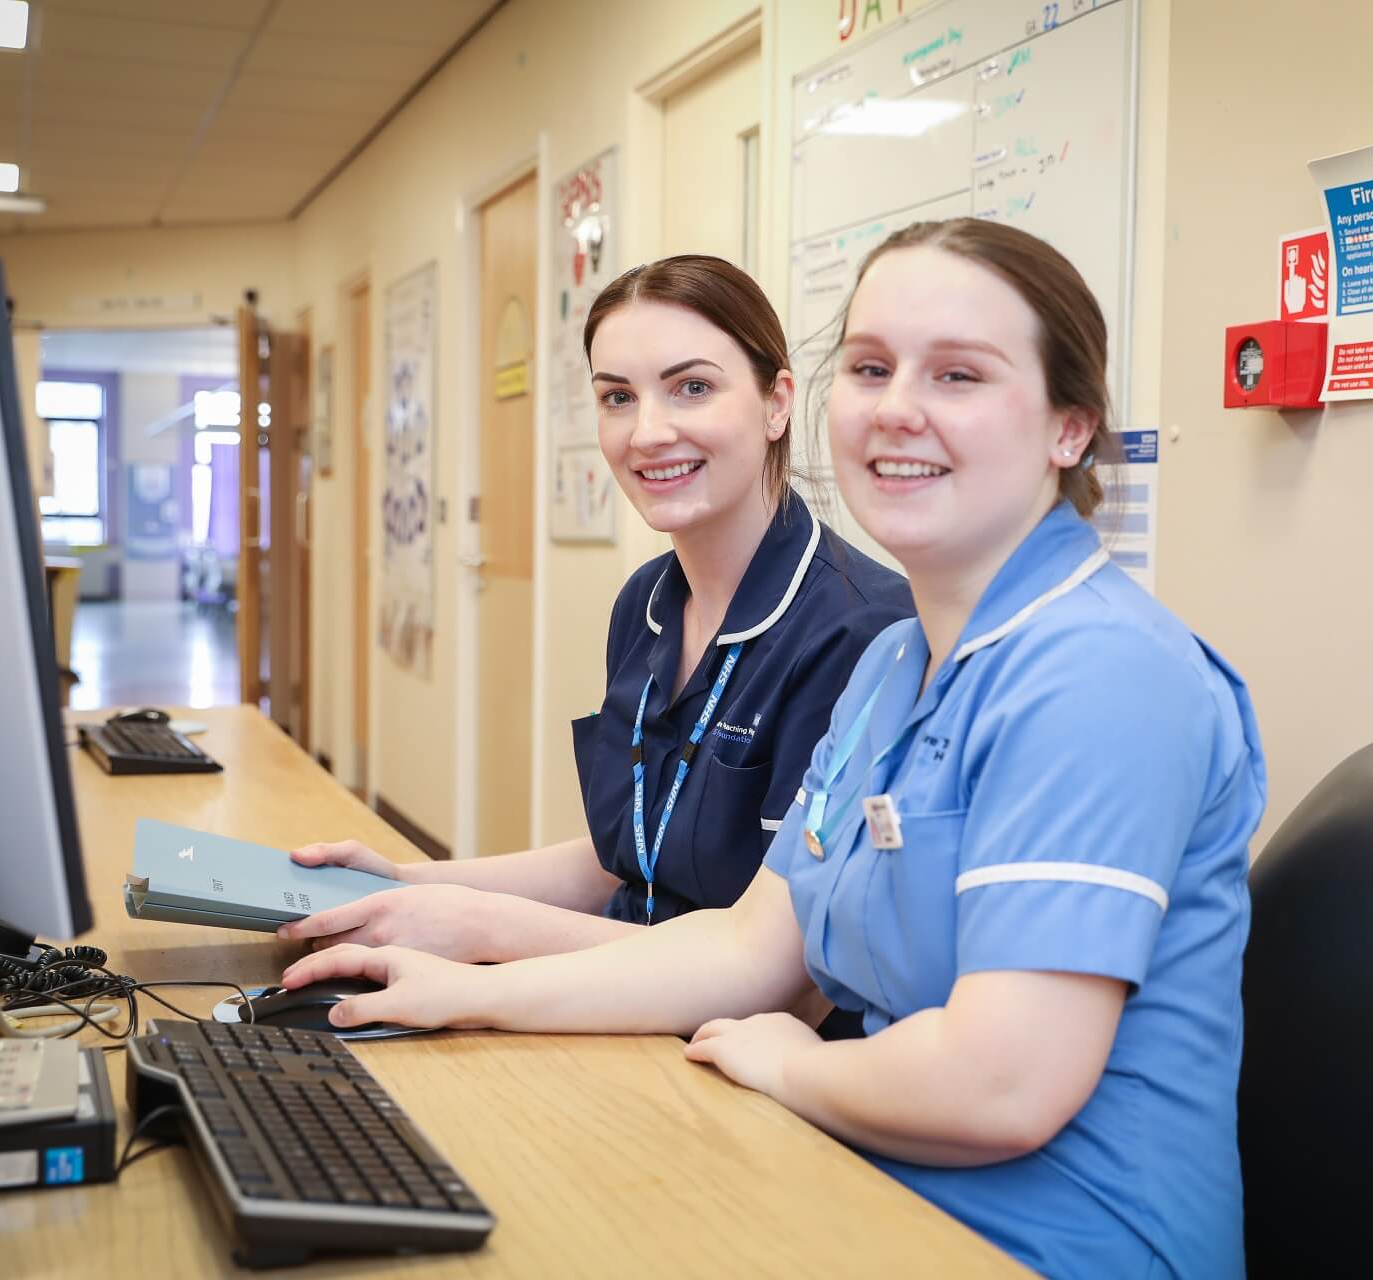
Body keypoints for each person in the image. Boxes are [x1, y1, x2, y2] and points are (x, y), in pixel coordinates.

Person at [281, 220, 1266, 1279]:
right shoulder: (899, 663)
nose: (897, 408)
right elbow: (751, 947)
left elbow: (1002, 1084)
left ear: (1070, 427)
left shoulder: (1100, 674)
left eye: (959, 374)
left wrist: (795, 1066)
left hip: (1051, 1239)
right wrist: (460, 986)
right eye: (873, 366)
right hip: (867, 1174)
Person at [278, 256, 911, 987]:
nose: (646, 433)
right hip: (607, 1000)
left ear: (777, 404)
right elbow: (631, 855)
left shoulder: (859, 633)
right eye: (618, 398)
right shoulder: (646, 605)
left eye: (693, 388)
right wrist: (403, 884)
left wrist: (476, 928)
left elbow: (782, 967)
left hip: (735, 1042)